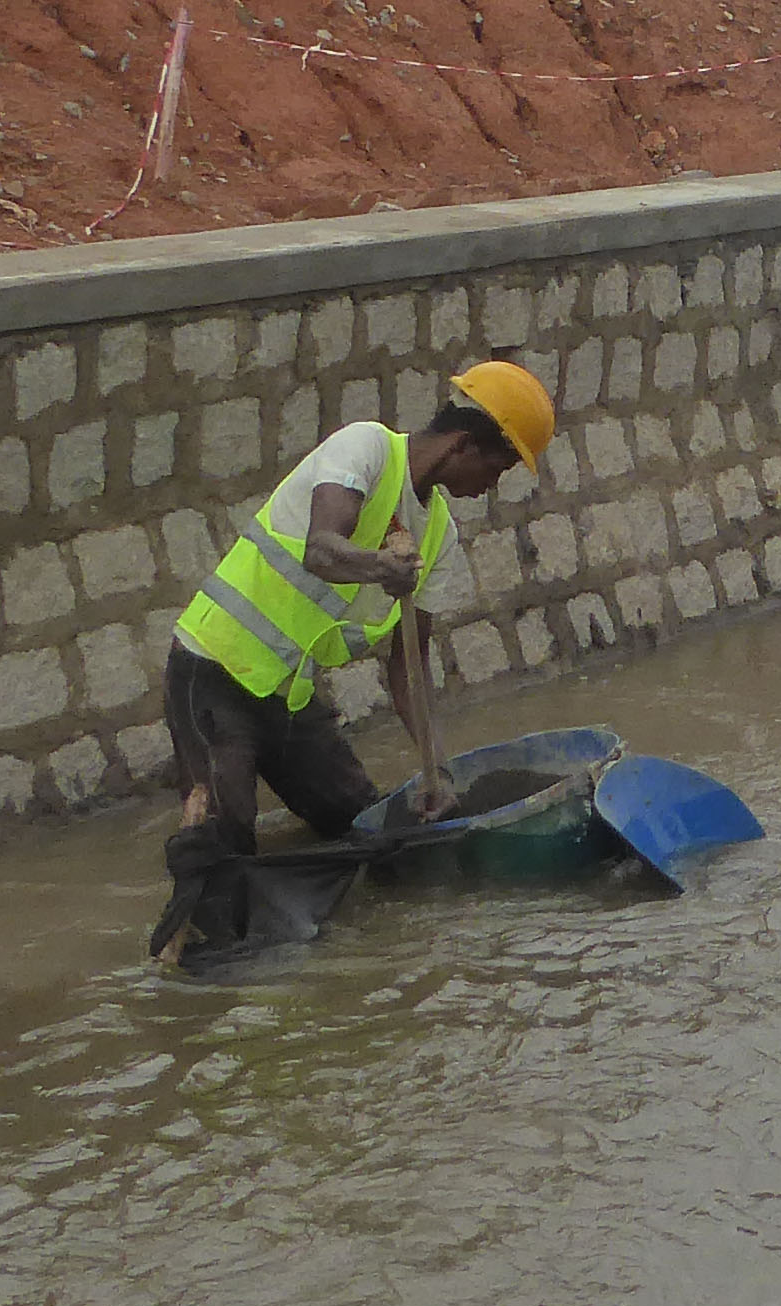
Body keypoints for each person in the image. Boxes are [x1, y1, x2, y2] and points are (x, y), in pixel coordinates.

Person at [148, 357, 556, 960]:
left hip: (287, 698)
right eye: (498, 467)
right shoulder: (364, 449)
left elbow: (406, 667)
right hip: (213, 674)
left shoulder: (438, 535)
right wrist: (377, 567)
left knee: (367, 824)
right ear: (464, 445)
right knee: (225, 848)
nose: (494, 485)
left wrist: (436, 770)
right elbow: (321, 549)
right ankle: (199, 971)